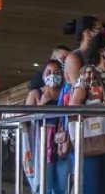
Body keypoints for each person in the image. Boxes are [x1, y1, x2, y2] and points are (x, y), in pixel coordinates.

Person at [66, 26, 105, 194]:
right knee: (92, 186)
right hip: (90, 138)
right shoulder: (87, 72)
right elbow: (74, 106)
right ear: (102, 51)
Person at [24, 61, 66, 194]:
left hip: (63, 143)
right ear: (43, 76)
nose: (53, 76)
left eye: (57, 72)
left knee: (62, 185)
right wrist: (41, 104)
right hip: (43, 145)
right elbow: (24, 118)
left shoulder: (65, 93)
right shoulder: (36, 94)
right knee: (44, 186)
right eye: (49, 72)